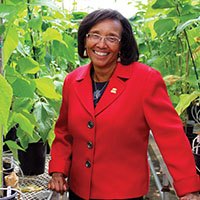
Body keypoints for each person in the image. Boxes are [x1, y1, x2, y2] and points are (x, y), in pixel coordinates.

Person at [48, 9, 200, 200]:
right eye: (95, 35)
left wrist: (188, 189)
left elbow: (172, 138)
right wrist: (58, 171)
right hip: (79, 191)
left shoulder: (145, 80)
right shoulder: (73, 81)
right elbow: (64, 133)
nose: (101, 44)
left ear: (122, 45)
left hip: (123, 193)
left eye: (111, 38)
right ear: (85, 40)